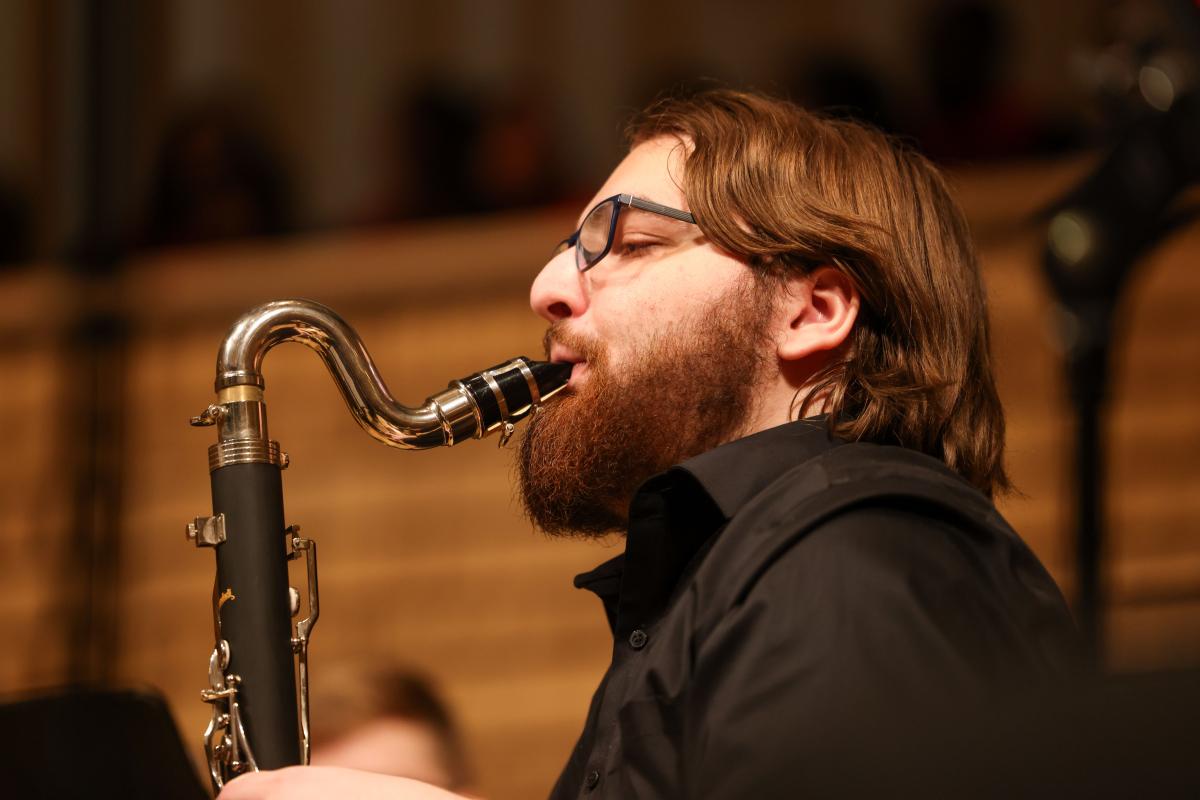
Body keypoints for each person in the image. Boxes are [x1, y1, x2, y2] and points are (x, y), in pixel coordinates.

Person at [220, 89, 1080, 799]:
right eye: (569, 249)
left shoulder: (856, 555)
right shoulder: (758, 569)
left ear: (814, 310)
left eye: (630, 243)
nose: (548, 287)